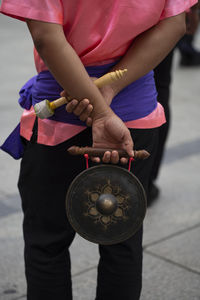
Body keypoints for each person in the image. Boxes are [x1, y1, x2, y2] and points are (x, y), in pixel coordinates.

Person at [0, 1, 196, 299]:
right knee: (123, 242)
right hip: (133, 116)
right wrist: (108, 92)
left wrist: (100, 109)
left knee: (47, 244)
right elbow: (175, 23)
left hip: (62, 109)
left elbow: (45, 35)